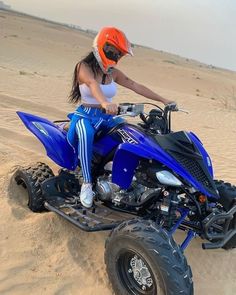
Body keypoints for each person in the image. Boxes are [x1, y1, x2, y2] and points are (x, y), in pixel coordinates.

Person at [67, 26, 176, 208]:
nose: (115, 56)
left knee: (132, 134)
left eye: (118, 54)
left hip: (107, 118)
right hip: (85, 116)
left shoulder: (112, 73)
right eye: (112, 51)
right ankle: (86, 183)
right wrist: (103, 102)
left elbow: (134, 85)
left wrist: (164, 100)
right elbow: (92, 84)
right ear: (101, 46)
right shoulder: (83, 67)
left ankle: (126, 180)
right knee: (86, 135)